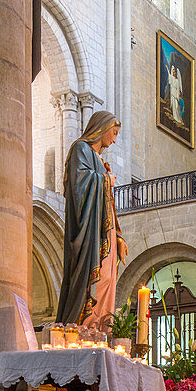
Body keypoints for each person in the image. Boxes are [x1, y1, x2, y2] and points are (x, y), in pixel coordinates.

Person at [56, 111, 127, 329]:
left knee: (107, 280)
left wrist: (118, 235)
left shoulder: (99, 160)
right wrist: (106, 180)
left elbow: (108, 205)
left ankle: (100, 327)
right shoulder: (81, 149)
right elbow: (79, 185)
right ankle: (84, 324)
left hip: (104, 232)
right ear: (102, 128)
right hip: (89, 232)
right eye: (113, 133)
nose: (114, 140)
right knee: (94, 278)